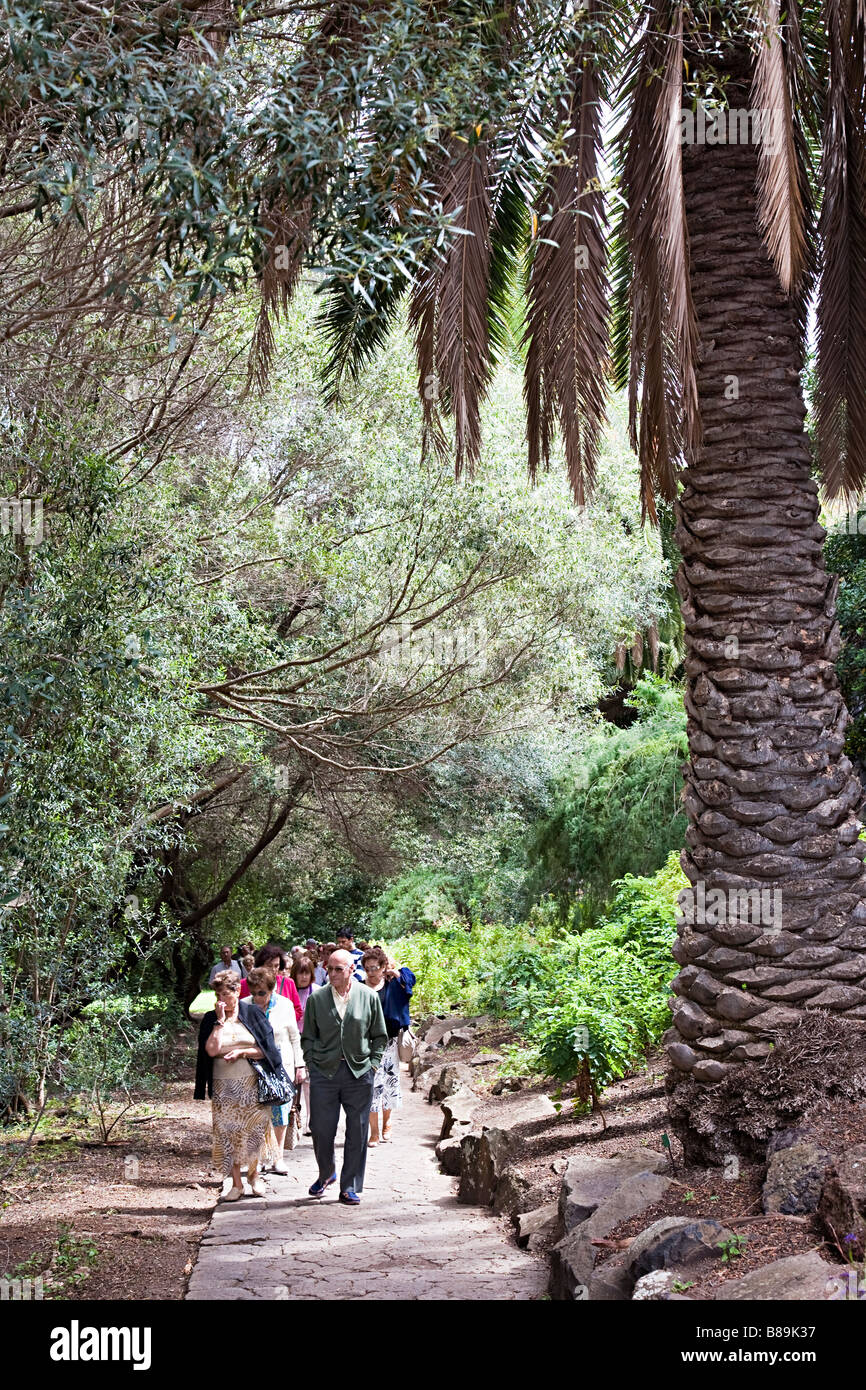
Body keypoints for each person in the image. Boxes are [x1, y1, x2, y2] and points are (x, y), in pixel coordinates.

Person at [301, 950, 387, 1206]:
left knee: (358, 1131)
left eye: (339, 969)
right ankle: (326, 1173)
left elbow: (379, 1036)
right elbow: (308, 1037)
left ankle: (349, 1186)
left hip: (358, 1073)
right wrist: (312, 1063)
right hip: (324, 1073)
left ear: (351, 969)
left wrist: (372, 1065)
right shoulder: (317, 998)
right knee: (321, 1129)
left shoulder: (368, 997)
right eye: (330, 969)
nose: (333, 974)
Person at [194, 970, 282, 1200]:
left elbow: (268, 1050)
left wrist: (243, 1052)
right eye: (218, 995)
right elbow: (211, 1051)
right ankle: (236, 1183)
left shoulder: (253, 1013)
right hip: (223, 1087)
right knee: (228, 1133)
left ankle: (254, 1176)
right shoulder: (211, 1019)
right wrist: (219, 1022)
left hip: (251, 1085)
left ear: (237, 991)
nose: (222, 1000)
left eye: (226, 994)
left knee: (253, 1131)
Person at [246, 966, 306, 1173]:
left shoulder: (285, 1005)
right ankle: (263, 1153)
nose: (257, 997)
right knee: (259, 1112)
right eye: (253, 992)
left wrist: (300, 1065)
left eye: (261, 993)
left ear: (272, 990)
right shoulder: (245, 1006)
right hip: (253, 1067)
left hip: (281, 1066)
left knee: (280, 1112)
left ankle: (278, 1156)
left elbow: (294, 1037)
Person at [361, 947, 415, 1146]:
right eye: (367, 969)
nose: (372, 972)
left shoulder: (393, 984)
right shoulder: (360, 987)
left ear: (383, 966)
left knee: (389, 1085)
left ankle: (388, 1123)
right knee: (371, 1087)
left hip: (390, 1043)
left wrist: (396, 974)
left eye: (375, 968)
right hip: (367, 1045)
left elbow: (410, 984)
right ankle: (373, 1132)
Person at [290, 953, 319, 1134]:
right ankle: (292, 1117)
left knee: (309, 1081)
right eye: (300, 973)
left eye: (306, 973)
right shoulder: (288, 989)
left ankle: (311, 1120)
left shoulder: (317, 991)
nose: (303, 977)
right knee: (293, 1079)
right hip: (292, 1039)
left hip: (311, 1040)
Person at [239, 945, 303, 1024]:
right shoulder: (244, 984)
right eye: (269, 965)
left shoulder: (288, 983)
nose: (273, 969)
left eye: (276, 966)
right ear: (261, 964)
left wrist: (284, 1019)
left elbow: (298, 1010)